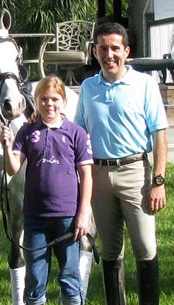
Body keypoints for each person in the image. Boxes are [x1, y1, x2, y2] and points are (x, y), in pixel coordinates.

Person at [74, 22, 168, 305]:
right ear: (94, 52)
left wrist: (158, 182)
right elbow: (78, 133)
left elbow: (159, 135)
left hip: (135, 173)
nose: (109, 54)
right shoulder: (88, 87)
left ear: (126, 51)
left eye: (115, 48)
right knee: (111, 251)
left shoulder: (144, 84)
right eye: (103, 48)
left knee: (146, 248)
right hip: (99, 176)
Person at [0, 75, 93, 305]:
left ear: (63, 101)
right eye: (43, 99)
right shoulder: (27, 131)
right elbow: (12, 170)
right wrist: (6, 145)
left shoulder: (76, 133)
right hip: (35, 218)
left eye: (54, 99)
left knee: (70, 279)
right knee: (35, 280)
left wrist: (83, 214)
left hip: (68, 217)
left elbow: (87, 176)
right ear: (36, 100)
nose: (48, 104)